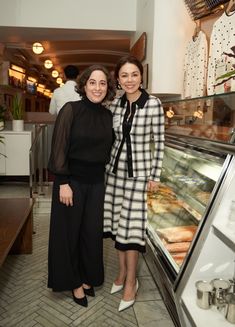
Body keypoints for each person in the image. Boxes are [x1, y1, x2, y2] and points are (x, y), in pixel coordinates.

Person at [47, 64, 116, 307]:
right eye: (93, 82)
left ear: (108, 88)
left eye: (102, 83)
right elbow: (59, 148)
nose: (97, 88)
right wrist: (63, 182)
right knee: (70, 233)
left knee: (90, 232)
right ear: (84, 85)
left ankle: (88, 277)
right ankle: (74, 281)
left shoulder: (107, 116)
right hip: (71, 182)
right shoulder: (71, 110)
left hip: (97, 182)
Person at [103, 55, 165, 312]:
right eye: (124, 76)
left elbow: (159, 142)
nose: (129, 80)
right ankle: (121, 273)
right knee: (118, 228)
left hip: (139, 177)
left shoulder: (153, 104)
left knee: (133, 232)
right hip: (113, 175)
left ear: (142, 77)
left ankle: (131, 282)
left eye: (134, 75)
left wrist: (155, 176)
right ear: (118, 79)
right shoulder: (115, 104)